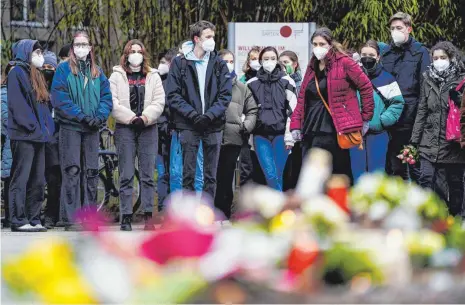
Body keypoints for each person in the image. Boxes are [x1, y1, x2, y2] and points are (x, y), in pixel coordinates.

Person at [290, 28, 374, 184]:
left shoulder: (344, 62)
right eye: (315, 44)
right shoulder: (312, 65)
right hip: (310, 126)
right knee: (313, 173)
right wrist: (295, 124)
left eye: (322, 43)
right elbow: (302, 97)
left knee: (332, 173)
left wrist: (365, 117)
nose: (318, 47)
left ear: (330, 44)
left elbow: (366, 87)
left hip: (333, 127)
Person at [51, 31, 112, 231]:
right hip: (71, 127)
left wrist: (99, 116)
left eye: (84, 44)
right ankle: (71, 218)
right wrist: (81, 116)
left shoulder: (97, 72)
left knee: (91, 172)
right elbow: (60, 99)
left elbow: (106, 98)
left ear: (90, 47)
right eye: (77, 44)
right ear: (72, 47)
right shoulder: (63, 70)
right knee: (72, 171)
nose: (81, 47)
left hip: (92, 129)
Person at [166, 20, 232, 199]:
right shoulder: (180, 63)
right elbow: (173, 95)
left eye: (213, 36)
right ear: (197, 39)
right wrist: (193, 115)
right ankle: (189, 216)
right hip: (188, 125)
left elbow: (225, 95)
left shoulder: (219, 63)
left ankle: (207, 212)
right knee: (188, 173)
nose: (212, 40)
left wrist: (209, 116)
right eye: (208, 37)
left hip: (213, 125)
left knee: (210, 175)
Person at [110, 39, 165, 231]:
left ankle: (149, 215)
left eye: (139, 51)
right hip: (125, 128)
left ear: (144, 54)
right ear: (126, 54)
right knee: (125, 173)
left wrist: (145, 117)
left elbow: (159, 101)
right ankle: (126, 216)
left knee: (148, 174)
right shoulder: (116, 76)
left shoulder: (153, 76)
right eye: (131, 51)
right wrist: (131, 118)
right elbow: (113, 102)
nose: (135, 54)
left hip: (148, 128)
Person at [411, 41, 465, 217]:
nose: (439, 61)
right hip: (429, 142)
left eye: (443, 57)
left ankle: (454, 217)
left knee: (454, 184)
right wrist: (414, 141)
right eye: (435, 58)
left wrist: (460, 101)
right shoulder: (427, 78)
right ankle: (433, 217)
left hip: (453, 144)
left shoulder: (461, 80)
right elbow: (422, 110)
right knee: (426, 179)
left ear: (451, 58)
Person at [7, 40, 54, 232]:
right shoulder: (16, 73)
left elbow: (44, 105)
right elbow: (17, 105)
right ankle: (18, 219)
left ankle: (34, 218)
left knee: (38, 179)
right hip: (24, 136)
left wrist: (47, 129)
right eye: (36, 52)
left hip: (39, 136)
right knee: (21, 177)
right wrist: (34, 127)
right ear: (26, 52)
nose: (39, 56)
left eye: (40, 52)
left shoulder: (37, 74)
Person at [381, 12, 431, 181]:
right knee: (394, 167)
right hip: (389, 116)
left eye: (399, 28)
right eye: (393, 28)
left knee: (414, 164)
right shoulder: (386, 54)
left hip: (411, 115)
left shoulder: (420, 52)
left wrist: (420, 117)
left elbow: (425, 85)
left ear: (409, 29)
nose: (395, 31)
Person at [350, 40, 405, 182]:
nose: (367, 57)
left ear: (378, 57)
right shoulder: (353, 77)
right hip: (356, 134)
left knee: (377, 173)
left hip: (378, 134)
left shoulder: (387, 79)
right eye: (364, 54)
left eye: (371, 54)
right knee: (357, 172)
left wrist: (382, 120)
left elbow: (397, 103)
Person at [214, 49, 257, 218]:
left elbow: (252, 109)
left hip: (233, 138)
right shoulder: (209, 85)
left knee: (226, 177)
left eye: (231, 61)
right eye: (225, 61)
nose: (228, 64)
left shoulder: (241, 87)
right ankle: (210, 213)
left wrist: (246, 125)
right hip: (212, 136)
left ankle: (224, 213)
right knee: (211, 177)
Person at [247, 46, 297, 191]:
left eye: (273, 58)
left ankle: (275, 210)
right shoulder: (252, 83)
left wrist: (290, 136)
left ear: (277, 60)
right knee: (270, 174)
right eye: (266, 59)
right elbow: (247, 110)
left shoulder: (287, 82)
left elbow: (293, 110)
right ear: (261, 61)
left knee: (278, 174)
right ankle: (279, 208)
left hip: (281, 135)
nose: (269, 61)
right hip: (260, 135)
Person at [238, 46, 266, 187]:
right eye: (253, 59)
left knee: (263, 169)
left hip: (264, 129)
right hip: (247, 130)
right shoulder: (241, 82)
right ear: (248, 62)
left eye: (258, 59)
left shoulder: (269, 80)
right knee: (246, 168)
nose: (256, 62)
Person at [41, 51, 63, 229]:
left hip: (55, 144)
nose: (48, 70)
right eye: (45, 67)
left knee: (54, 182)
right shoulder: (37, 89)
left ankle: (51, 215)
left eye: (51, 67)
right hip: (41, 141)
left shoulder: (58, 89)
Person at [156, 48, 178, 212]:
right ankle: (164, 207)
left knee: (173, 172)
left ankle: (171, 207)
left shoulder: (174, 83)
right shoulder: (157, 82)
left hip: (171, 133)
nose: (161, 65)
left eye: (165, 62)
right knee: (163, 172)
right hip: (159, 135)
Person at [279, 50, 304, 191]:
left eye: (286, 63)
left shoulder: (302, 82)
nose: (284, 66)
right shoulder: (280, 82)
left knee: (296, 168)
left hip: (299, 132)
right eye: (281, 63)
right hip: (285, 131)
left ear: (295, 64)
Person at [1, 63, 14, 229]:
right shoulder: (4, 93)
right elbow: (5, 121)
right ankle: (10, 216)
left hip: (15, 142)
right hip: (10, 144)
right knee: (10, 181)